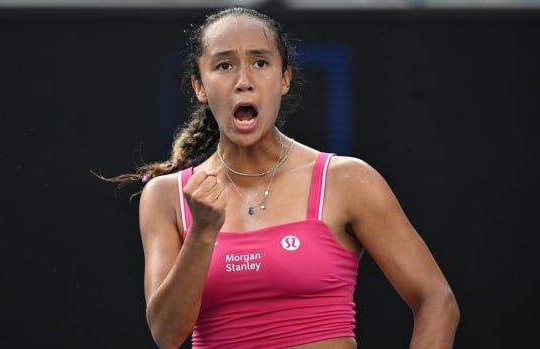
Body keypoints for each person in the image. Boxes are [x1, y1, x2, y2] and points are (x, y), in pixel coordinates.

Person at [109, 7, 459, 349]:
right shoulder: (166, 196)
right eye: (224, 65)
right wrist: (202, 232)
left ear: (284, 79)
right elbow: (166, 335)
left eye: (260, 63)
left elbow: (436, 300)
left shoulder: (348, 180)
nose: (243, 81)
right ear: (199, 87)